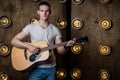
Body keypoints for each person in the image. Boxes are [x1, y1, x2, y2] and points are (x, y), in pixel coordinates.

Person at [11, 1, 75, 80]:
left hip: (51, 68)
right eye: (42, 11)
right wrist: (29, 46)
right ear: (38, 12)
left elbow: (60, 50)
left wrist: (67, 46)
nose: (44, 13)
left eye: (47, 11)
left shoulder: (55, 29)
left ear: (50, 12)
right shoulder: (30, 27)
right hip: (35, 66)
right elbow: (14, 41)